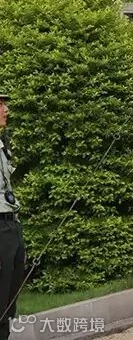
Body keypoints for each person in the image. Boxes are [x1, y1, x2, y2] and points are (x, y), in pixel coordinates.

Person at [0, 93, 24, 340]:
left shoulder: (2, 144)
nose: (6, 109)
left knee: (9, 297)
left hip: (11, 225)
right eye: (0, 104)